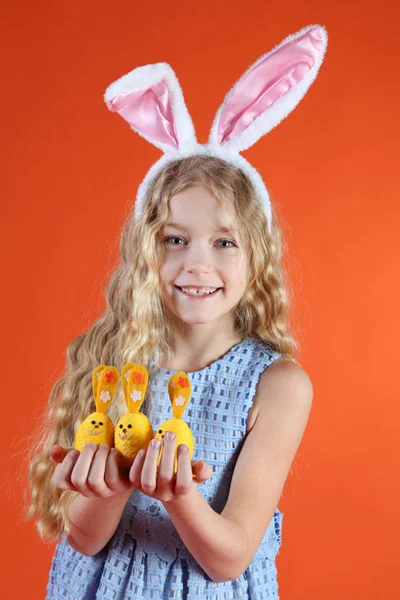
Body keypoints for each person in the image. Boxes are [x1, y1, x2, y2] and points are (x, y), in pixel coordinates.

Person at [27, 23, 327, 600]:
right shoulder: (116, 363)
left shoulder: (278, 386)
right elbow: (85, 539)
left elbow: (230, 558)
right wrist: (107, 482)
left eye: (223, 242)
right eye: (174, 240)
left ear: (257, 255)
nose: (197, 264)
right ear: (146, 250)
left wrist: (179, 494)